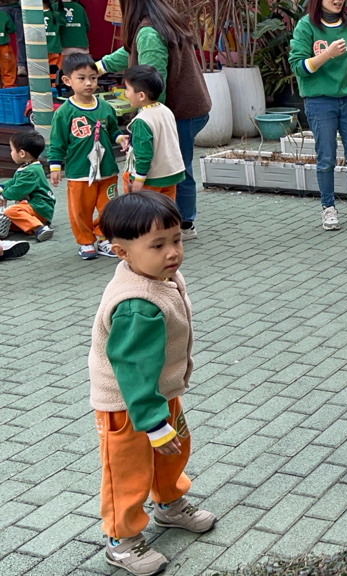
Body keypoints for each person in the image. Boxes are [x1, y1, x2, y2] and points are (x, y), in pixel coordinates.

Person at [90, 191, 216, 576]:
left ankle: (169, 503)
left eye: (176, 239)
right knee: (127, 472)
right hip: (129, 405)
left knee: (173, 451)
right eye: (158, 245)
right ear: (122, 252)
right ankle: (122, 539)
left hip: (159, 393)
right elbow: (132, 368)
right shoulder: (137, 303)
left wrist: (161, 417)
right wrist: (152, 422)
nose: (172, 252)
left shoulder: (161, 276)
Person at [97, 0, 212, 241]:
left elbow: (152, 79)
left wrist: (146, 121)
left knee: (178, 168)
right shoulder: (163, 20)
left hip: (179, 111)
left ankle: (182, 224)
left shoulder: (149, 31)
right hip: (188, 108)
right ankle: (178, 221)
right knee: (178, 165)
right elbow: (132, 52)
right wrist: (100, 66)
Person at [288, 0, 347, 231]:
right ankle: (328, 208)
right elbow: (298, 67)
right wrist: (327, 54)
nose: (338, 0)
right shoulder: (306, 26)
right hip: (320, 102)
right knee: (326, 157)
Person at [49, 53, 123, 260]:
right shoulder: (64, 112)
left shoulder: (106, 107)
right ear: (67, 80)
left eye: (93, 78)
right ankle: (85, 241)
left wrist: (121, 139)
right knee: (80, 209)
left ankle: (104, 238)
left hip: (107, 169)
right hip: (79, 171)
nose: (89, 83)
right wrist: (55, 167)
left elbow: (114, 131)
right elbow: (57, 142)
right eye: (81, 78)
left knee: (108, 207)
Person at [119, 65, 185, 200]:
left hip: (150, 178)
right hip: (171, 173)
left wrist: (139, 178)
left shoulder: (141, 120)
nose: (126, 94)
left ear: (141, 95)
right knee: (166, 208)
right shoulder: (165, 110)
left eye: (127, 89)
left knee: (140, 210)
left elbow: (144, 153)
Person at [1, 130, 55, 242]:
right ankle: (27, 226)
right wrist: (1, 188)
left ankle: (39, 228)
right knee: (10, 218)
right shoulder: (28, 167)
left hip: (40, 207)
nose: (11, 153)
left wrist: (4, 195)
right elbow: (13, 182)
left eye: (12, 150)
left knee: (11, 212)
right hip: (34, 207)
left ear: (22, 153)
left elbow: (16, 192)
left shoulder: (31, 171)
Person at [0, 0, 27, 76]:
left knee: (21, 38)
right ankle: (21, 65)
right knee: (20, 38)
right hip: (9, 6)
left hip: (15, 6)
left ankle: (21, 65)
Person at [43, 0, 63, 83]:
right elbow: (64, 22)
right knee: (55, 73)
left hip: (40, 50)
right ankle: (55, 88)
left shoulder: (35, 16)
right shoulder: (55, 14)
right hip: (55, 48)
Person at [0, 7, 15, 88]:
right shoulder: (3, 14)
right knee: (7, 67)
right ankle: (9, 87)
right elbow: (12, 29)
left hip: (4, 45)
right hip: (3, 45)